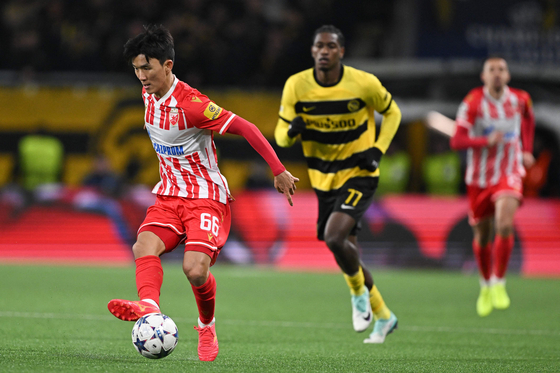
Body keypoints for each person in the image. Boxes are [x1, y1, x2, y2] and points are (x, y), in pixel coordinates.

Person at [107, 25, 299, 362]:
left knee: (195, 270)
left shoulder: (193, 104)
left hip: (206, 197)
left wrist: (278, 169)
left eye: (147, 67)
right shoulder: (147, 93)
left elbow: (245, 127)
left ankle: (206, 325)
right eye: (136, 68)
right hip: (169, 195)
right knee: (143, 245)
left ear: (167, 65)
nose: (140, 75)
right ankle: (149, 306)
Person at [275, 25, 401, 344]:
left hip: (359, 174)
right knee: (349, 254)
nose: (324, 51)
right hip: (323, 180)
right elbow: (278, 134)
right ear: (313, 51)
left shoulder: (363, 82)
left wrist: (378, 150)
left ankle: (358, 296)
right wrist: (292, 131)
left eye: (331, 46)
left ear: (341, 52)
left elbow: (393, 112)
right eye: (319, 46)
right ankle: (384, 316)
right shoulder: (297, 85)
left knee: (334, 237)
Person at [450, 56, 535, 317]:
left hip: (509, 171)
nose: (497, 74)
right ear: (483, 77)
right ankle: (485, 285)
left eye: (502, 70)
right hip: (479, 178)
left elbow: (529, 120)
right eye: (492, 70)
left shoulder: (520, 99)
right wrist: (485, 140)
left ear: (508, 76)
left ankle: (499, 282)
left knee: (505, 224)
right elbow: (457, 141)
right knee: (482, 235)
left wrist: (527, 150)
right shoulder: (473, 103)